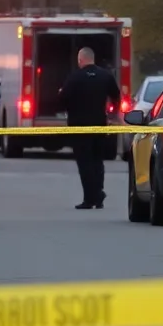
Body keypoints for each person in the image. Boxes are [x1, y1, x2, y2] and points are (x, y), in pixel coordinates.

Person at [58, 47, 120, 210]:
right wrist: (112, 115)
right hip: (99, 124)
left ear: (81, 60)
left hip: (79, 127)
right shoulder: (105, 76)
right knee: (97, 161)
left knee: (84, 163)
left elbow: (62, 100)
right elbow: (116, 96)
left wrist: (66, 101)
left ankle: (90, 197)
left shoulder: (75, 77)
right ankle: (98, 194)